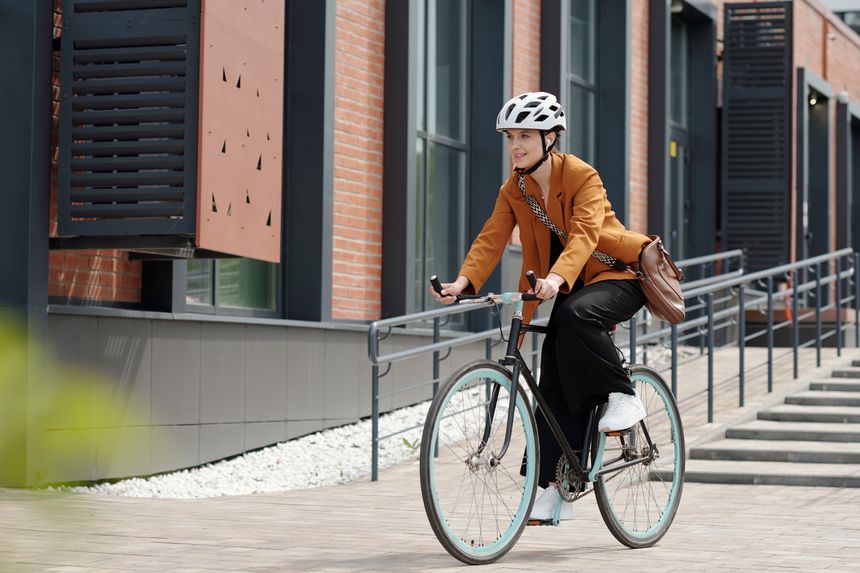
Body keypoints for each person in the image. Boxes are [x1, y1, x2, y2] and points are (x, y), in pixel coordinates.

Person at [430, 92, 652, 523]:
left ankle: (624, 394)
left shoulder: (582, 175)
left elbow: (586, 234)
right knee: (551, 385)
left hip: (619, 275)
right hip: (564, 285)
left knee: (574, 315)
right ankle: (551, 487)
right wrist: (464, 281)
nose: (516, 145)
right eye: (511, 137)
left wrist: (556, 277)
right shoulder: (515, 188)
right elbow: (491, 237)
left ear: (550, 137)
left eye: (525, 136)